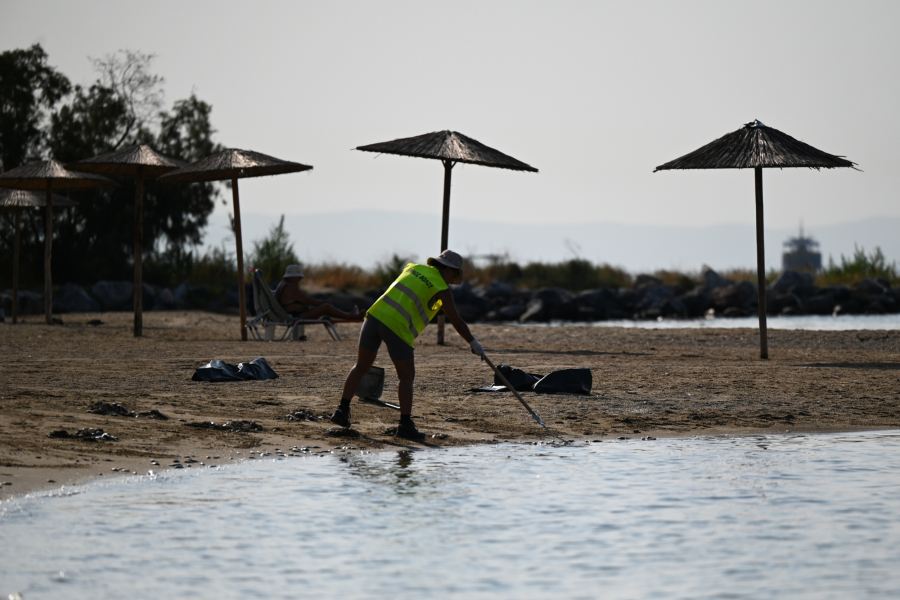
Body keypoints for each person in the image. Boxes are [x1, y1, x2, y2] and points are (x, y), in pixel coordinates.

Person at [330, 249, 484, 440]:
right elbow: (457, 321)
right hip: (397, 326)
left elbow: (413, 295)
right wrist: (473, 342)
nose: (453, 279)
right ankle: (405, 425)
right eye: (455, 274)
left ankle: (342, 409)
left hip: (374, 316)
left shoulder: (412, 268)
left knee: (361, 366)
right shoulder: (441, 289)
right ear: (448, 270)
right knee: (407, 376)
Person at [274, 264, 361, 320]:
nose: (300, 279)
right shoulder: (290, 287)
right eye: (298, 277)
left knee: (325, 307)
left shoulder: (282, 284)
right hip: (296, 316)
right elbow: (307, 300)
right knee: (326, 307)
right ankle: (351, 317)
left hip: (292, 314)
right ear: (292, 276)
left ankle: (350, 315)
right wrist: (324, 302)